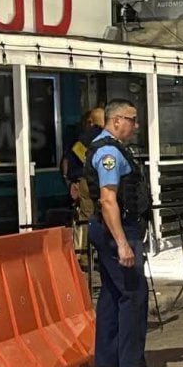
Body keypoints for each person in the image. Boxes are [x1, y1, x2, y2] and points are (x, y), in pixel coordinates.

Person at [84, 99, 160, 367]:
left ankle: (106, 363)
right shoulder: (109, 153)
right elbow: (108, 200)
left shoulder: (111, 148)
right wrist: (122, 243)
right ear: (116, 120)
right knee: (133, 295)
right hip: (117, 229)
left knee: (112, 295)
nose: (136, 125)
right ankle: (131, 365)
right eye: (132, 119)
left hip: (111, 228)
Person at [63, 107, 105, 261]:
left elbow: (70, 160)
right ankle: (98, 254)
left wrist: (71, 180)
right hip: (101, 181)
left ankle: (83, 254)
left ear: (90, 122)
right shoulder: (106, 137)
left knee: (85, 218)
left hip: (85, 181)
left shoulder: (83, 138)